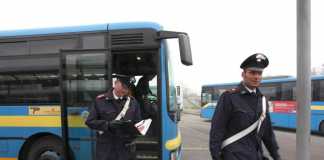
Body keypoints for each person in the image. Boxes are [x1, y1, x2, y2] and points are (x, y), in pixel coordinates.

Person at [209, 53, 281, 160]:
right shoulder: (229, 97)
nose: (257, 77)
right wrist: (216, 156)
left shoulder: (263, 100)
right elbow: (217, 130)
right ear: (243, 74)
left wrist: (276, 156)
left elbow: (268, 134)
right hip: (233, 156)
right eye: (252, 73)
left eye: (259, 73)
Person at [85, 75, 142, 160]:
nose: (125, 90)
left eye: (127, 88)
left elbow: (138, 123)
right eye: (123, 86)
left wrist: (135, 129)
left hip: (125, 150)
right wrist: (107, 125)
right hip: (106, 149)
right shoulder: (100, 101)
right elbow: (89, 122)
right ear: (116, 83)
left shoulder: (133, 103)